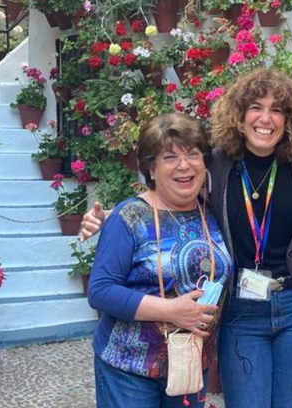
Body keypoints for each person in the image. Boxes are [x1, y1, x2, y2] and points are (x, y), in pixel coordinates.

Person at [83, 69, 292, 408]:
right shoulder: (216, 164)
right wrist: (116, 216)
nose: (266, 119)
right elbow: (168, 191)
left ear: (289, 118)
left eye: (277, 109)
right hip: (241, 308)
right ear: (240, 114)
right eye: (255, 107)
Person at [87, 113, 233, 408]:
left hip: (190, 364)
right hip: (129, 369)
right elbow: (100, 290)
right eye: (169, 157)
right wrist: (171, 310)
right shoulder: (129, 217)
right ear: (151, 169)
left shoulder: (213, 213)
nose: (184, 165)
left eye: (193, 154)